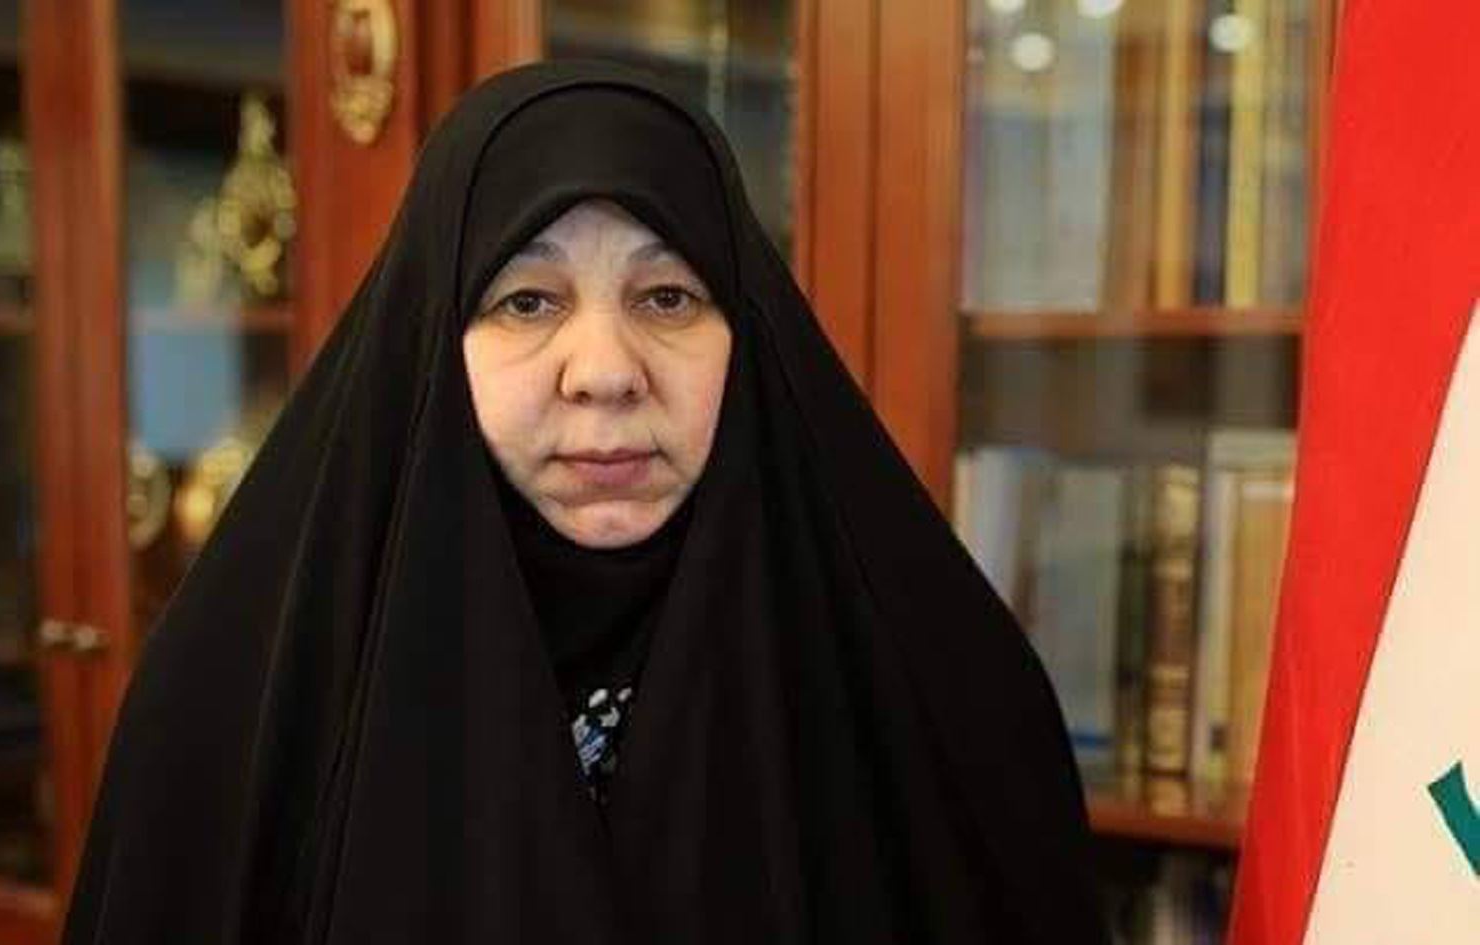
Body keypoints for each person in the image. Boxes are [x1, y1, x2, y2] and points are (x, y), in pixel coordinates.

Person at [62, 61, 1106, 943]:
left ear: (747, 335)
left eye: (668, 297)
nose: (605, 372)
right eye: (527, 301)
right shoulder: (232, 705)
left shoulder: (942, 691)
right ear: (433, 341)